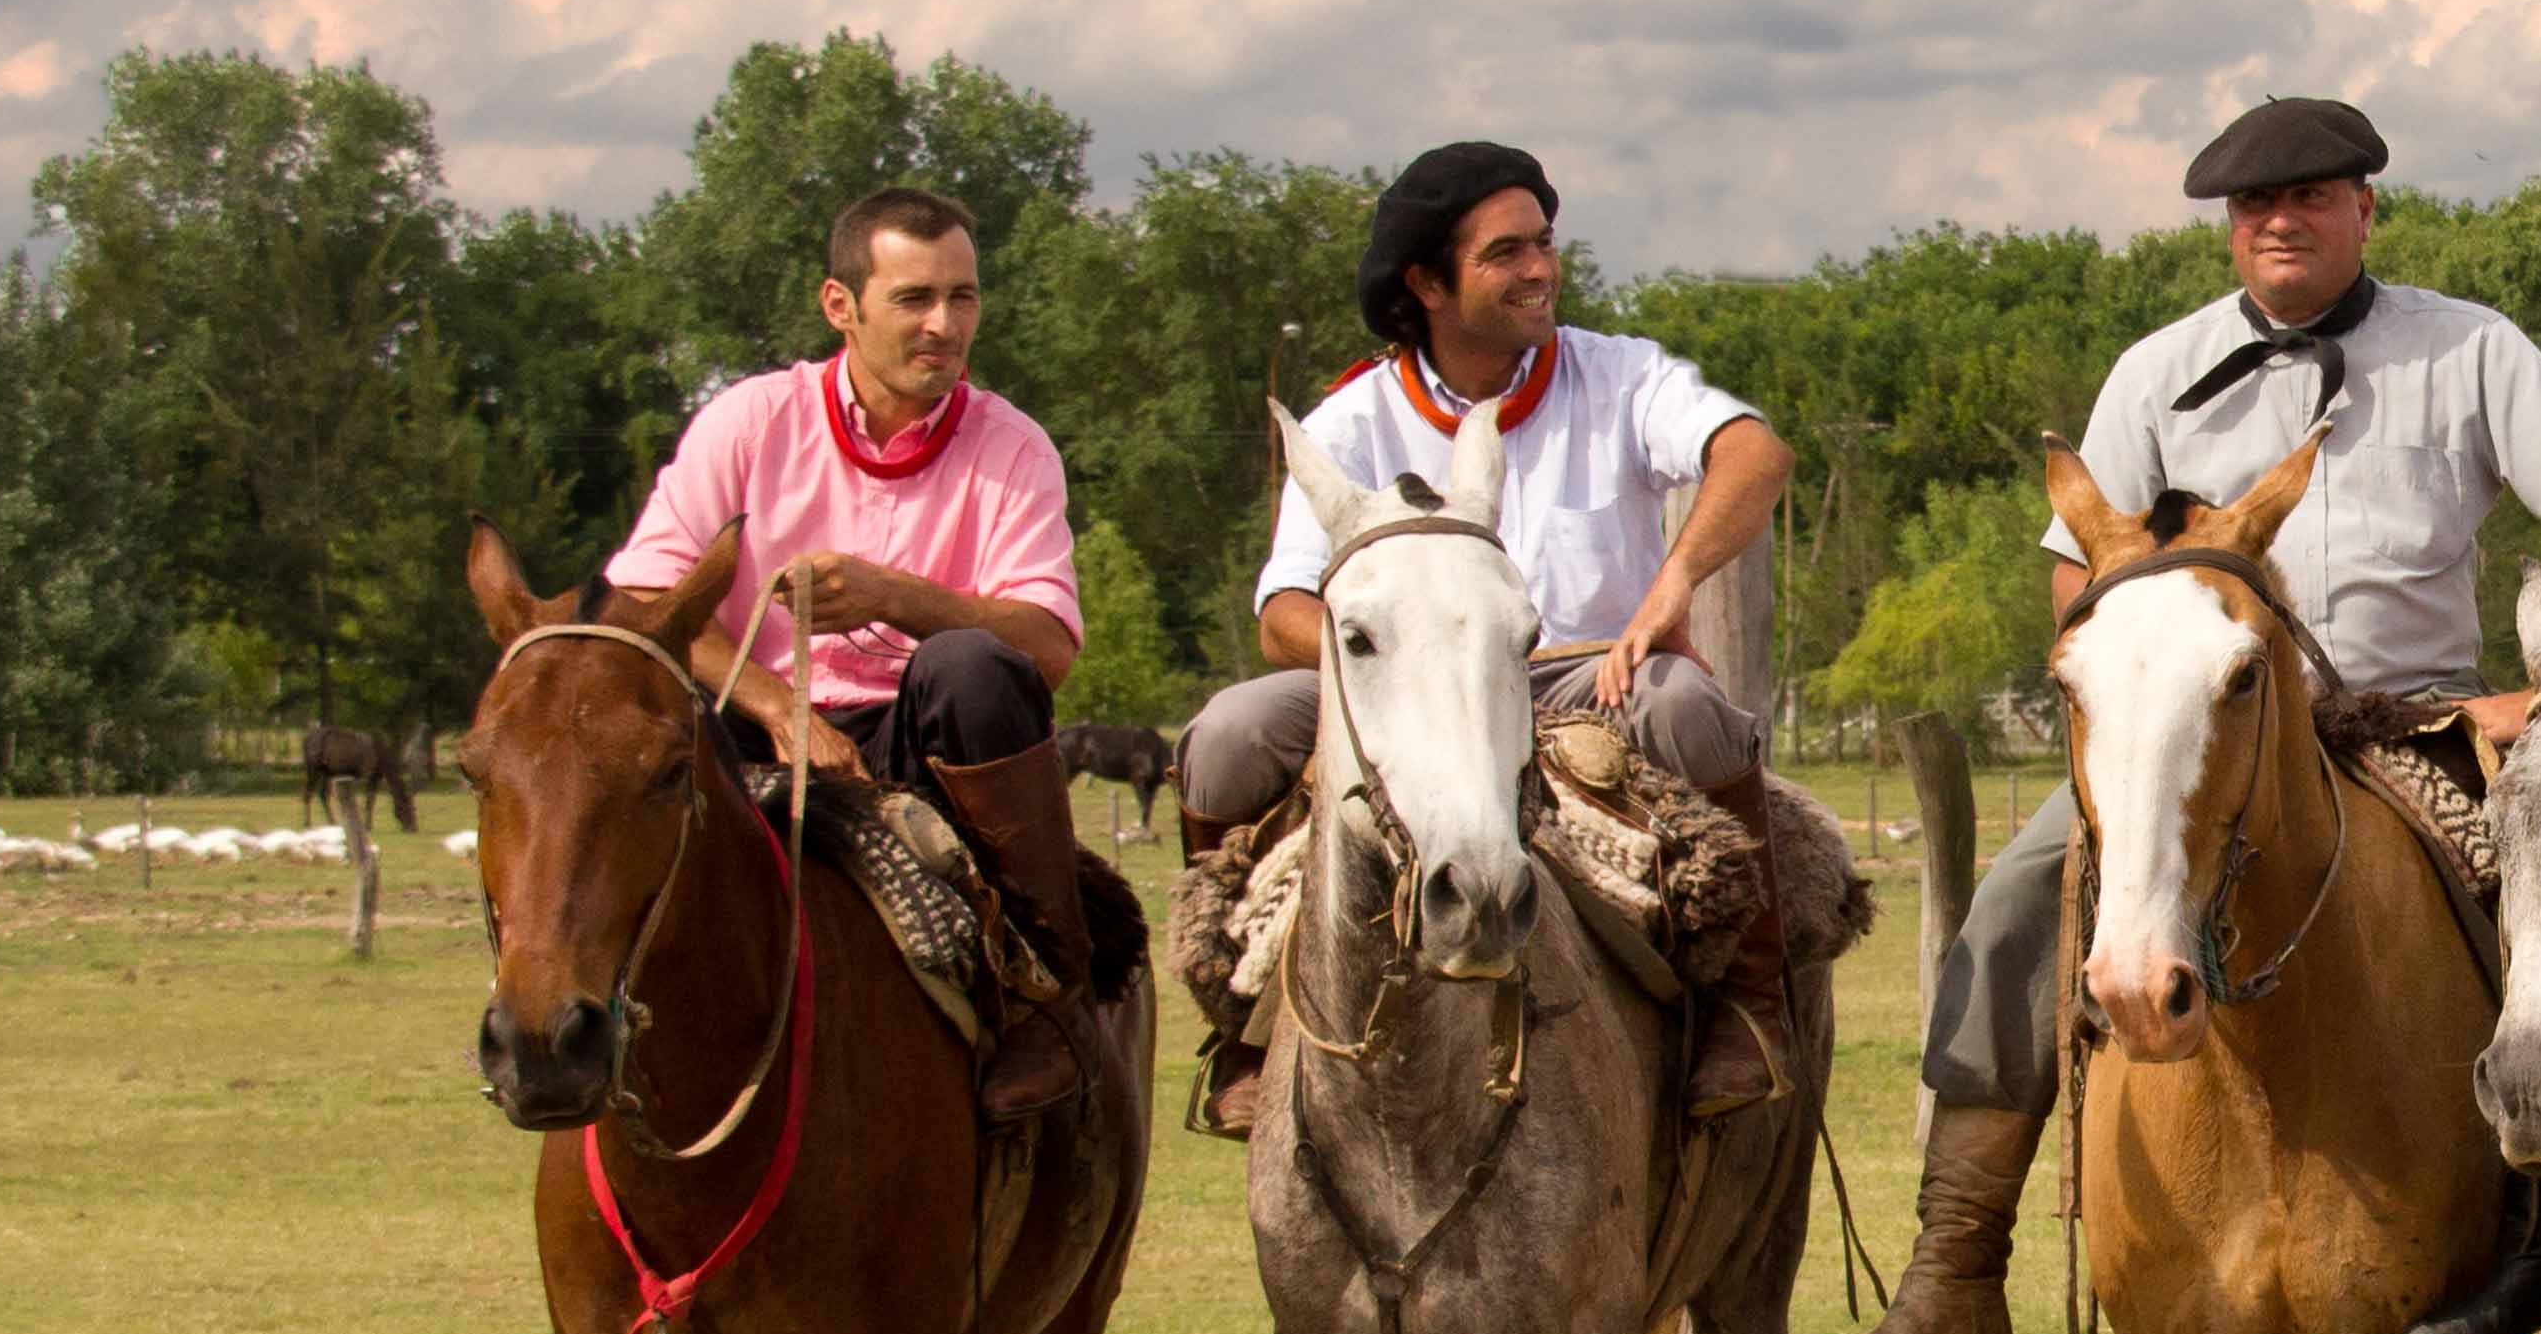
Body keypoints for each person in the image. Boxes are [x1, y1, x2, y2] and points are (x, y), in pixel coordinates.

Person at [1816, 92, 2541, 1334]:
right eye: (2257, 205)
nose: (2284, 221)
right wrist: (2133, 696)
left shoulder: (2471, 349)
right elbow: (2082, 572)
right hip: (2196, 733)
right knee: (2008, 904)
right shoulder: (2154, 372)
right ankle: (1957, 1263)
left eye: (2314, 198)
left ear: (2364, 211)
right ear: (2229, 228)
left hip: (2408, 724)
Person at [1174, 141, 1798, 1132]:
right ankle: (1237, 1020)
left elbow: (1754, 453)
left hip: (1584, 674)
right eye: (1506, 252)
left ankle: (1747, 1007)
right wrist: (1394, 650)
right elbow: (1282, 612)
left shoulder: (1622, 375)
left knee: (1690, 709)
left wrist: (1670, 584)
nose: (1540, 269)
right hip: (1400, 694)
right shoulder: (1352, 420)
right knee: (1227, 736)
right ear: (1427, 282)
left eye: (1544, 242)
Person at [605, 184, 1104, 1124]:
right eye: (913, 299)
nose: (944, 325)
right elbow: (642, 594)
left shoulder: (1013, 445)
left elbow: (1047, 650)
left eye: (963, 297)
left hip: (924, 742)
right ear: (842, 306)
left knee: (974, 667)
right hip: (755, 731)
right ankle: (582, 1008)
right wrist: (773, 706)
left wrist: (897, 597)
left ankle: (1048, 997)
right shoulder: (750, 420)